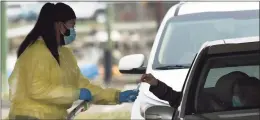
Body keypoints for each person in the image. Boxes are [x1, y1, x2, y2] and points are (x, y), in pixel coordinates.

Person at [8, 2, 138, 120]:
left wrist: (116, 96)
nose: (73, 31)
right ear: (59, 25)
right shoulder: (35, 53)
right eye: (72, 25)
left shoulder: (65, 54)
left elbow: (83, 86)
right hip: (29, 116)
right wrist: (75, 93)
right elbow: (38, 89)